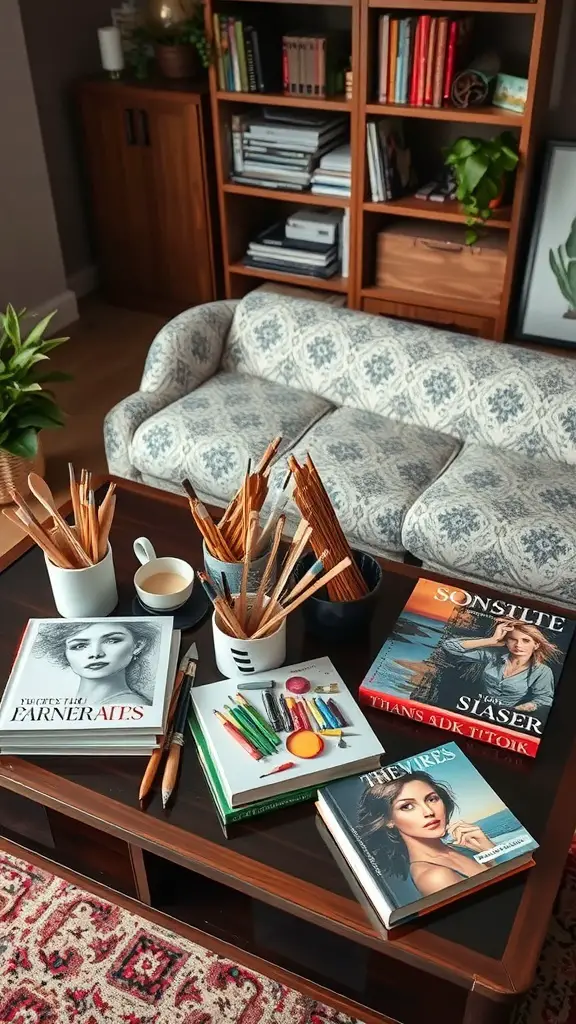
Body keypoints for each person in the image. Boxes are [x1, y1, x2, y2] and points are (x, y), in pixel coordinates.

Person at [358, 771, 495, 897]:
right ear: (389, 820)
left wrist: (491, 850)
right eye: (407, 806)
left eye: (431, 799)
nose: (428, 811)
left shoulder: (463, 847)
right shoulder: (435, 877)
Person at [441, 617, 559, 711]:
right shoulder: (492, 657)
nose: (518, 645)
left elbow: (544, 699)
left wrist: (516, 710)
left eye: (526, 640)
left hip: (510, 716)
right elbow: (449, 646)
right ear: (506, 641)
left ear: (536, 645)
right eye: (513, 639)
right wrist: (491, 641)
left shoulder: (542, 671)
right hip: (472, 707)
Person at [32, 621, 161, 706]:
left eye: (111, 640)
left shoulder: (133, 706)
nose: (95, 653)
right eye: (79, 646)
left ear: (138, 645)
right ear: (63, 652)